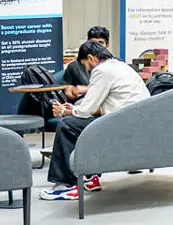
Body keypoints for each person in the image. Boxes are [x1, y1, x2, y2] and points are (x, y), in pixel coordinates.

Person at [39, 41, 150, 201]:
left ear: (91, 58)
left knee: (67, 125)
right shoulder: (121, 66)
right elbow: (104, 106)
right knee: (81, 123)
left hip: (121, 126)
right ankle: (91, 177)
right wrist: (74, 109)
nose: (87, 70)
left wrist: (65, 111)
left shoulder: (102, 70)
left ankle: (65, 185)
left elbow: (85, 111)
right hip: (133, 123)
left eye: (86, 66)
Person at [63, 26, 110, 99]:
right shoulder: (75, 66)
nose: (96, 47)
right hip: (83, 104)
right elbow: (66, 87)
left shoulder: (114, 64)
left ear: (107, 45)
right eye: (93, 43)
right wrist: (70, 91)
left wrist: (86, 89)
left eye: (100, 43)